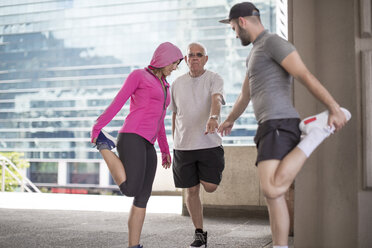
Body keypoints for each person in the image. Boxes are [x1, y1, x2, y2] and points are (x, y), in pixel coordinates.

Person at [218, 2, 351, 248]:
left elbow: (303, 74)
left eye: (234, 27)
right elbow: (245, 95)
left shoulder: (273, 43)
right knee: (274, 195)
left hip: (279, 122)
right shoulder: (254, 53)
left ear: (243, 21)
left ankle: (316, 132)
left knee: (271, 187)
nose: (234, 33)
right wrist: (229, 119)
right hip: (268, 125)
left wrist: (333, 108)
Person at [91, 42, 183, 248]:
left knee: (143, 197)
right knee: (130, 188)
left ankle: (134, 246)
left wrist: (165, 150)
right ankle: (104, 145)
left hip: (148, 145)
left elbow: (160, 121)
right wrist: (98, 126)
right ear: (163, 59)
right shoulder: (138, 76)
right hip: (132, 136)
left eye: (177, 65)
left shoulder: (165, 87)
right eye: (174, 63)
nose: (175, 68)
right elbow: (118, 101)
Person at [169, 42, 225, 248]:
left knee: (210, 187)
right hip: (183, 147)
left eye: (199, 55)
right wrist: (174, 141)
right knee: (191, 191)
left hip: (208, 143)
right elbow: (174, 114)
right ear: (185, 60)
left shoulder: (214, 78)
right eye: (190, 55)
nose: (194, 58)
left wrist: (213, 117)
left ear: (205, 59)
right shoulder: (176, 84)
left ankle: (208, 176)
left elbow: (216, 99)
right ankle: (199, 232)